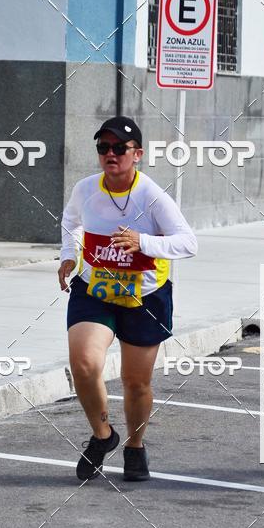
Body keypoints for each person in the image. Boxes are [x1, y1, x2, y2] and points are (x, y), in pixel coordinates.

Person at [58, 116, 198, 482]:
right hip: (96, 291)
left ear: (137, 154)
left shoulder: (152, 196)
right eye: (103, 148)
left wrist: (143, 242)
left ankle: (135, 445)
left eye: (119, 148)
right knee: (84, 364)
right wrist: (68, 256)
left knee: (136, 382)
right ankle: (103, 436)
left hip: (145, 296)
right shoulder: (86, 189)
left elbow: (188, 242)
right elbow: (70, 221)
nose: (111, 154)